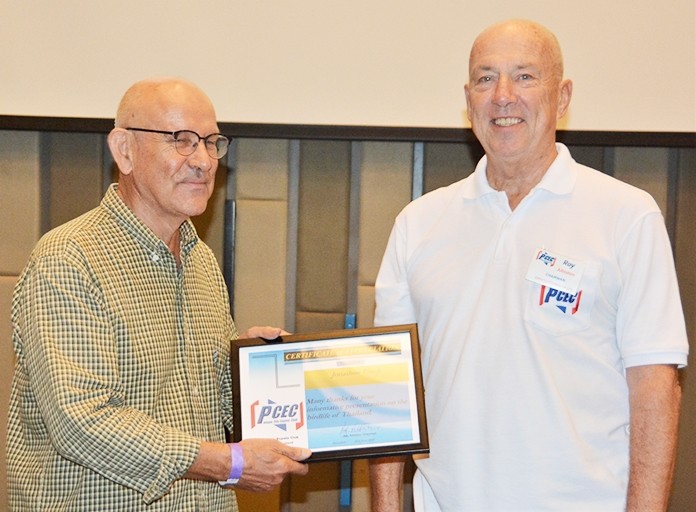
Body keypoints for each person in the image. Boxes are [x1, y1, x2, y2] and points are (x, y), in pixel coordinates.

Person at [369, 19, 688, 512]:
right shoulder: (418, 223)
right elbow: (390, 389)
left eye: (524, 76)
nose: (502, 96)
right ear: (468, 99)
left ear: (561, 98)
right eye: (484, 78)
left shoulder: (626, 215)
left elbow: (655, 388)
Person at [7, 77, 311, 511]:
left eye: (211, 143)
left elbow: (210, 405)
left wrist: (253, 370)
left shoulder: (200, 260)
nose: (204, 161)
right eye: (181, 141)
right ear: (124, 150)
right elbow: (82, 421)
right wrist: (228, 463)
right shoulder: (70, 258)